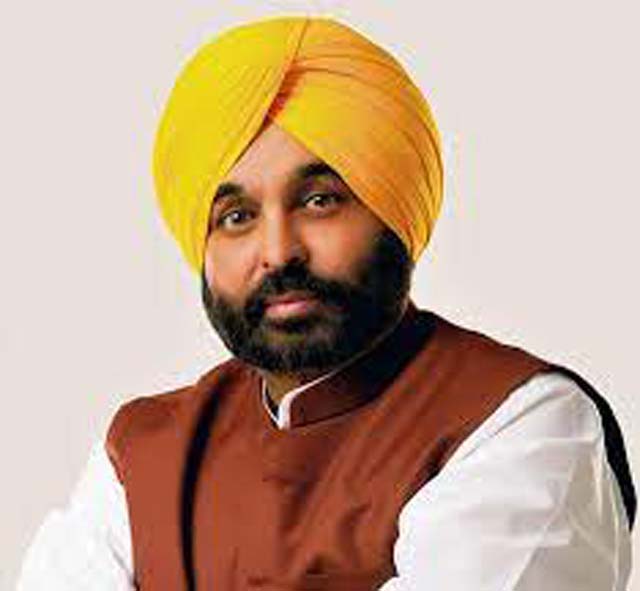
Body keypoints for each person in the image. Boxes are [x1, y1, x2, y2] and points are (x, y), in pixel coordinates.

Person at [18, 15, 635, 591]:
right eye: (236, 217)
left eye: (320, 201)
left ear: (393, 213)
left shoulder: (519, 422)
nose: (278, 251)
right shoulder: (142, 453)